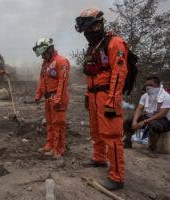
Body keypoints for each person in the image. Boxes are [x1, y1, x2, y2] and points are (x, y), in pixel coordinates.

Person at [75, 8, 128, 190]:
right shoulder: (92, 47)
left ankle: (117, 177)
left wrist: (112, 101)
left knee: (112, 136)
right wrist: (87, 95)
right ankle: (99, 158)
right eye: (84, 31)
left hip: (108, 95)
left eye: (89, 29)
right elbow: (91, 73)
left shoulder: (115, 43)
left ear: (98, 25)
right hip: (94, 95)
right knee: (96, 131)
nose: (87, 34)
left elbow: (119, 74)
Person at [33, 38, 70, 160]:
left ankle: (58, 150)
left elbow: (62, 82)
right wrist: (38, 95)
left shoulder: (61, 61)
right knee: (49, 124)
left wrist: (58, 99)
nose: (42, 56)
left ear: (50, 49)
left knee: (58, 124)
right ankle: (49, 146)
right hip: (48, 98)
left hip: (58, 98)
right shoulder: (45, 64)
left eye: (44, 53)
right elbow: (41, 80)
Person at [123, 76, 170, 156]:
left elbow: (162, 114)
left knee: (154, 125)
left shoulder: (167, 97)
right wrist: (135, 121)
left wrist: (143, 122)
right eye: (147, 85)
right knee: (128, 121)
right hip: (149, 117)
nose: (147, 87)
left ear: (158, 85)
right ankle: (127, 141)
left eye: (150, 85)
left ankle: (153, 149)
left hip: (164, 120)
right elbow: (139, 109)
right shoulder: (145, 96)